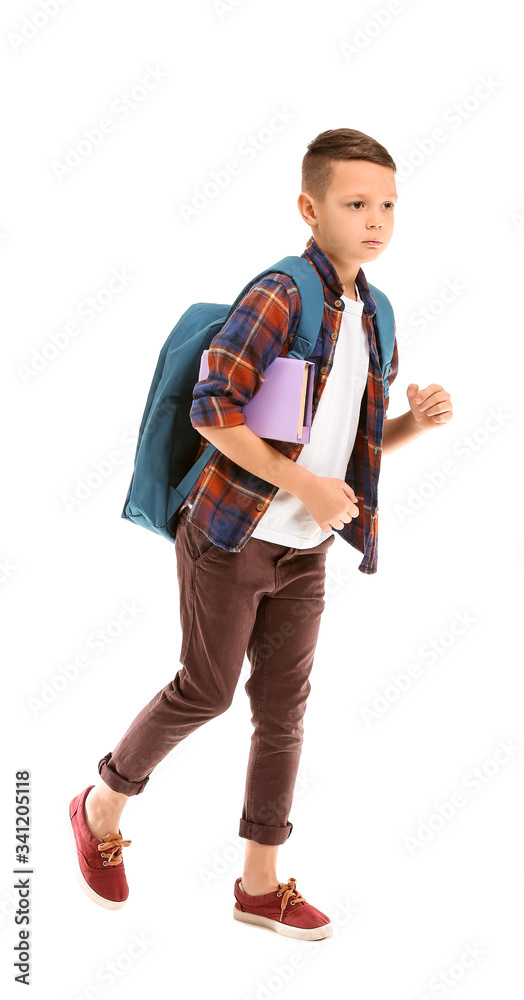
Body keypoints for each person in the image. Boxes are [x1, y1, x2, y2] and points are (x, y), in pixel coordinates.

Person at [69, 127, 453, 938]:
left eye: (388, 204)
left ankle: (258, 882)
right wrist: (307, 486)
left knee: (284, 710)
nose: (376, 219)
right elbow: (215, 412)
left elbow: (350, 438)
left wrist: (408, 424)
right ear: (311, 209)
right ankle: (100, 804)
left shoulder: (376, 312)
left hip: (304, 545)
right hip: (229, 533)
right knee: (204, 691)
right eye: (356, 203)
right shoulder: (281, 294)